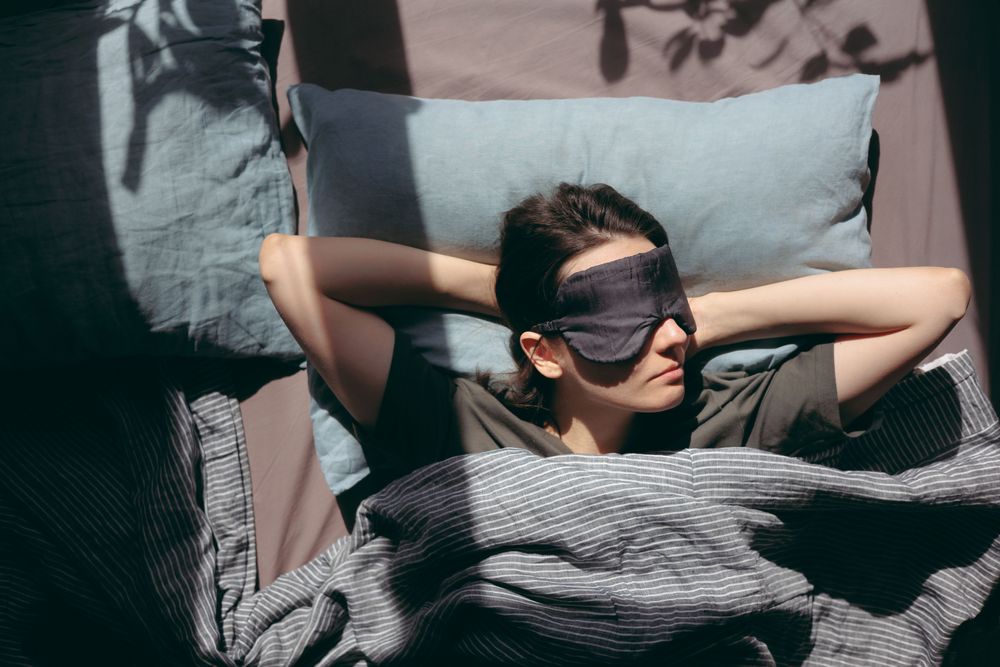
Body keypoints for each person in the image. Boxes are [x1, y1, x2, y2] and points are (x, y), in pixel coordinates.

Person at [259, 183, 970, 477]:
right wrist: (502, 294)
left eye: (670, 308)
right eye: (626, 317)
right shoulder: (456, 423)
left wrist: (709, 317)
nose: (669, 339)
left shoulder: (731, 418)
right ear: (541, 350)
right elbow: (287, 266)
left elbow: (940, 298)